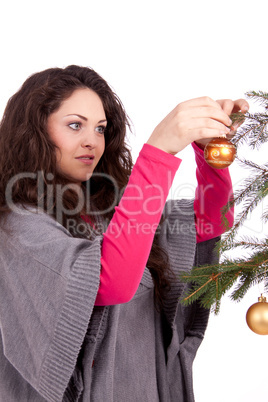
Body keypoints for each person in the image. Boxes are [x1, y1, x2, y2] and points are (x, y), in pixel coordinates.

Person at [0, 65, 249, 402]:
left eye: (100, 129)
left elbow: (209, 222)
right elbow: (108, 280)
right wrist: (158, 153)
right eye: (75, 125)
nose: (92, 141)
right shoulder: (19, 227)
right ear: (35, 132)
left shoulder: (111, 212)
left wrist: (208, 151)